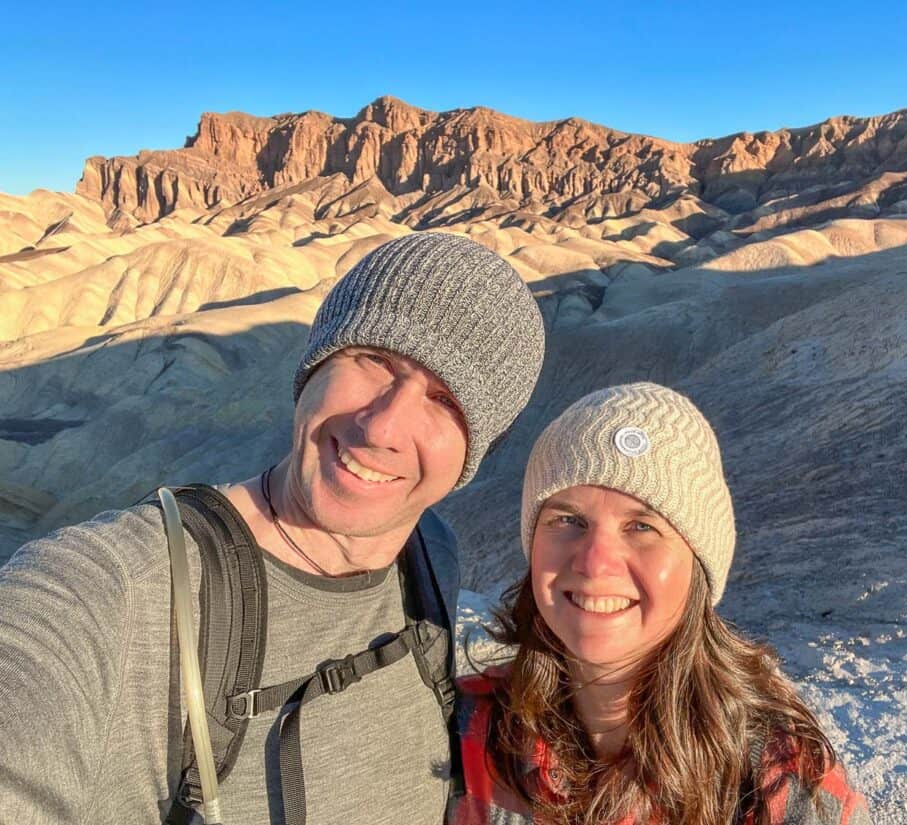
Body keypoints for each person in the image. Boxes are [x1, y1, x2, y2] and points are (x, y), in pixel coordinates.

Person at [0, 231, 545, 824]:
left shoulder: (432, 557)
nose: (382, 426)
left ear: (478, 451)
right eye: (374, 360)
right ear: (315, 361)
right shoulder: (114, 591)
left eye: (445, 400)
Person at [450, 383, 870, 825]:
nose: (595, 563)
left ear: (698, 564)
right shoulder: (467, 735)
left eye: (642, 527)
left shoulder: (777, 776)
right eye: (568, 520)